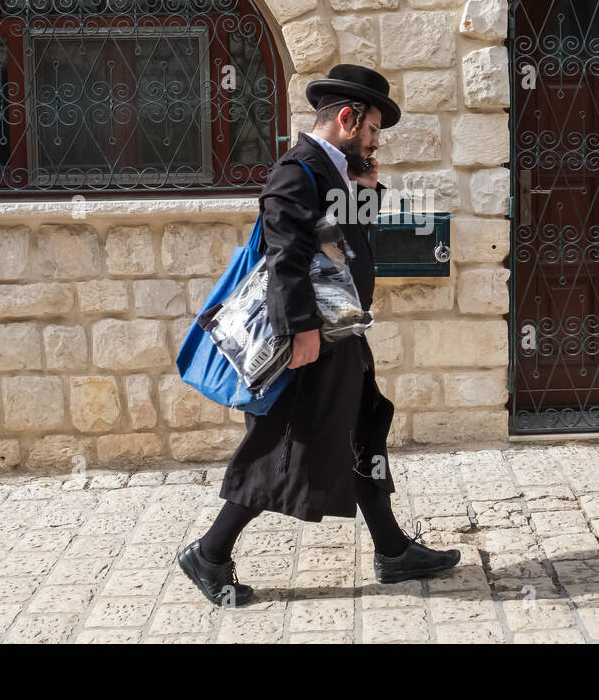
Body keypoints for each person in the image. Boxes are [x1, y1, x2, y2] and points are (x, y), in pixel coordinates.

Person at [177, 64, 461, 606]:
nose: (377, 141)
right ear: (349, 119)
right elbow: (287, 257)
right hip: (311, 341)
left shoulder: (335, 171)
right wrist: (301, 331)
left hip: (342, 333)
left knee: (362, 430)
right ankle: (210, 554)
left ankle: (393, 550)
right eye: (374, 129)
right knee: (282, 444)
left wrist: (368, 190)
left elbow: (348, 240)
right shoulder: (296, 171)